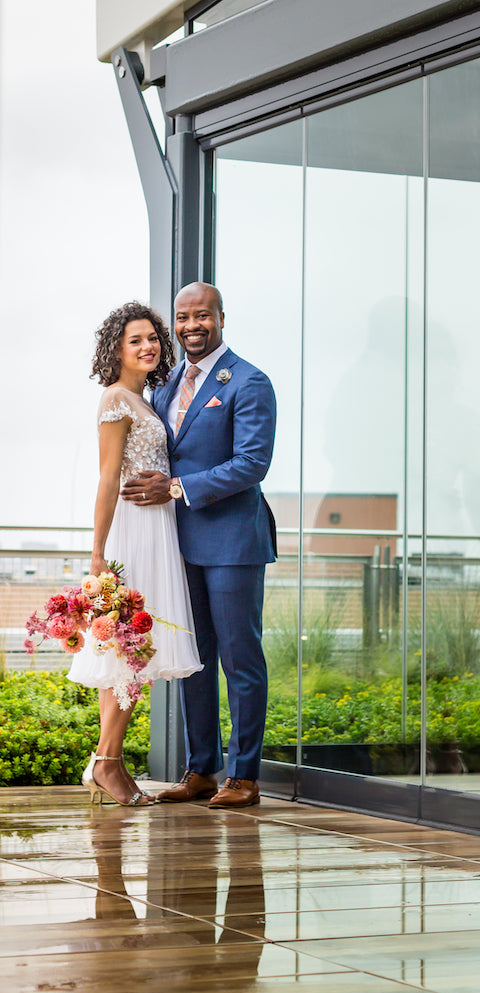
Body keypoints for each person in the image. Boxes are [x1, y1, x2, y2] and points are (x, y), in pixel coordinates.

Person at [120, 282, 277, 809]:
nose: (192, 325)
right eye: (183, 317)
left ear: (221, 318)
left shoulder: (249, 381)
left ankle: (244, 776)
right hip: (178, 544)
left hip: (233, 542)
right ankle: (202, 770)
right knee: (194, 659)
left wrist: (176, 488)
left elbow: (252, 463)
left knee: (240, 659)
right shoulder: (165, 384)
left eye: (202, 315)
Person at [68, 303, 202, 806]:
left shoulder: (145, 399)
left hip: (158, 529)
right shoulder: (115, 400)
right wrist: (98, 552)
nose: (148, 347)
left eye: (152, 338)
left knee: (128, 652)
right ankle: (107, 762)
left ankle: (108, 761)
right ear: (116, 350)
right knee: (131, 650)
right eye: (135, 340)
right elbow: (107, 479)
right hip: (134, 532)